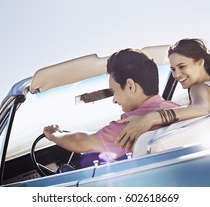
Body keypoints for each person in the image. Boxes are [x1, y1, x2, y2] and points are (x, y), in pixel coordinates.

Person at [43, 48, 179, 167]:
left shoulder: (128, 126)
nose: (114, 100)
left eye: (114, 92)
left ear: (130, 86)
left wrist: (55, 134)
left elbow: (80, 142)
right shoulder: (177, 110)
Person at [115, 38, 210, 150]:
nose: (177, 75)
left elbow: (202, 108)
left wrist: (151, 118)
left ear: (200, 62)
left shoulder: (198, 87)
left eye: (182, 66)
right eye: (173, 69)